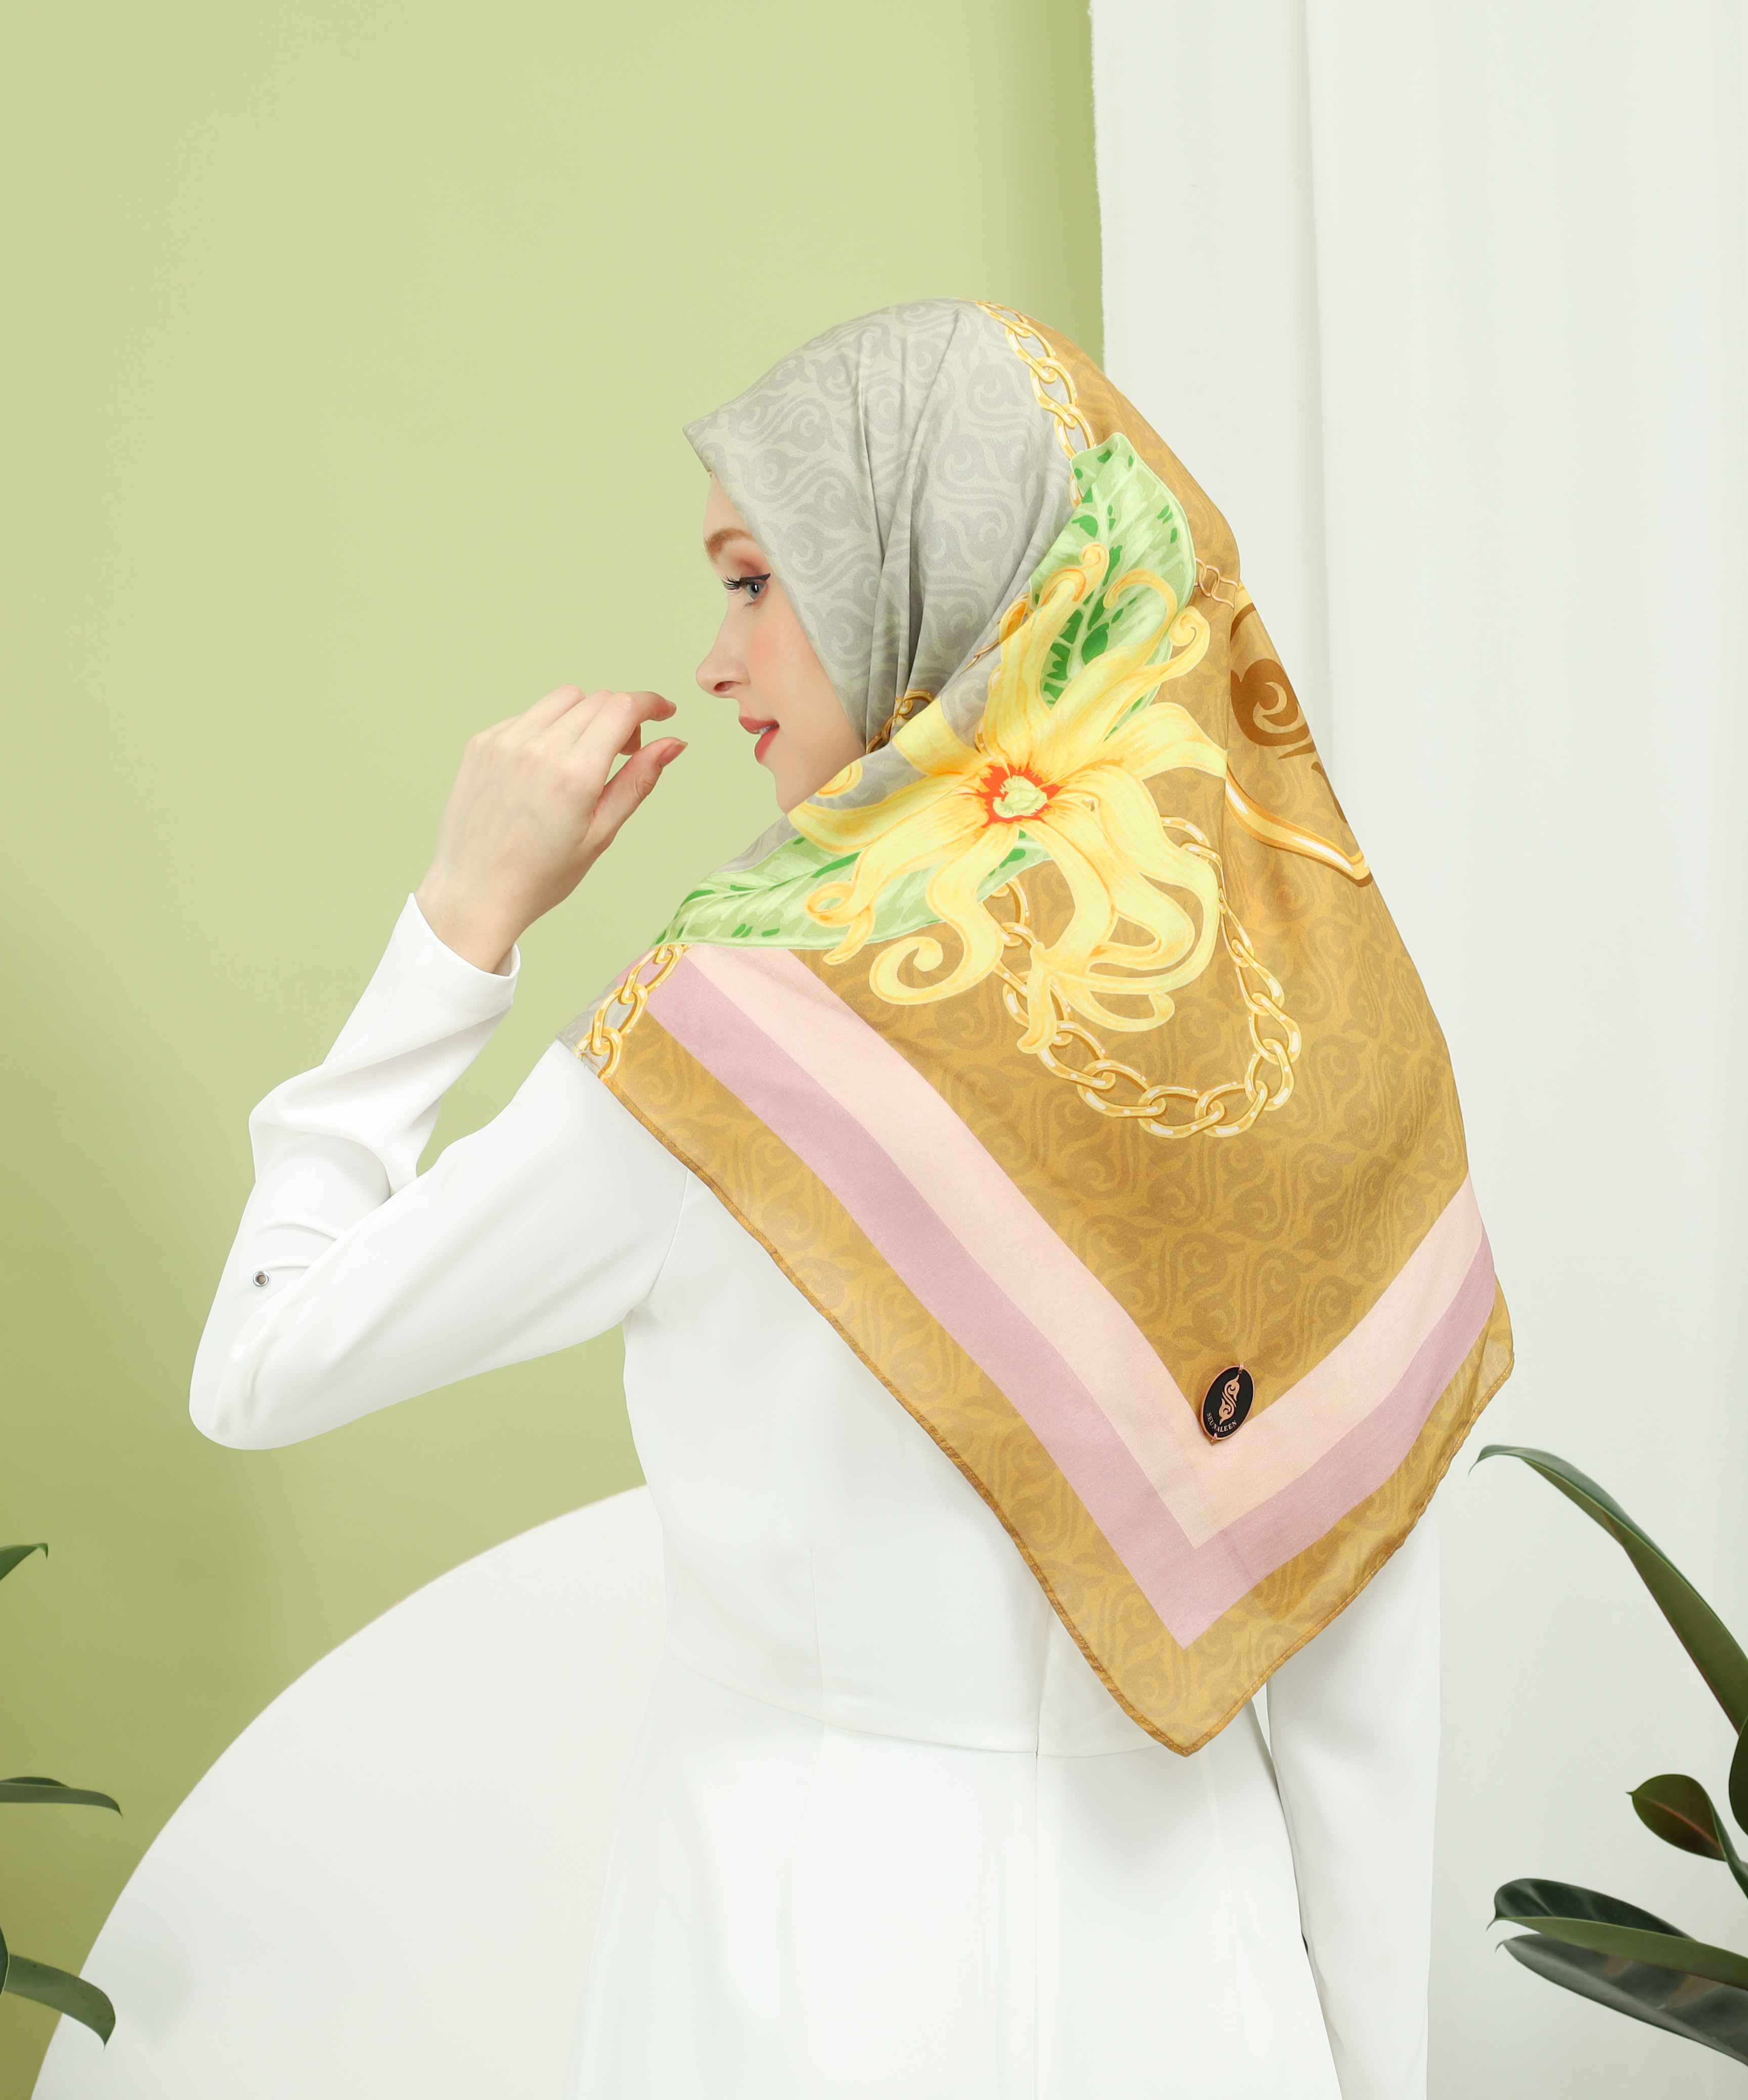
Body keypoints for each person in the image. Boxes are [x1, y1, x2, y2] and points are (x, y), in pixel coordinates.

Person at [190, 297, 1510, 2098]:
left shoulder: (737, 1038)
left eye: (756, 579)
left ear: (924, 566)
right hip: (1206, 1986)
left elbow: (264, 1364)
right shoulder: (1324, 1032)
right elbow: (1361, 1704)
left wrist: (462, 919)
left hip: (801, 1968)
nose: (719, 659)